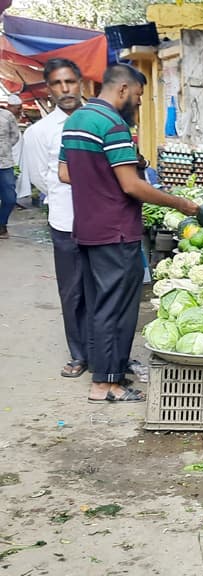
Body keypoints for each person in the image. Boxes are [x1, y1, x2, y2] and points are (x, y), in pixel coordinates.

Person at [58, 64, 198, 403]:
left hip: (88, 227)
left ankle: (107, 368)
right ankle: (106, 385)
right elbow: (131, 185)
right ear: (122, 90)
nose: (136, 104)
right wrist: (180, 203)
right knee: (116, 308)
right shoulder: (113, 125)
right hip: (116, 231)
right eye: (136, 97)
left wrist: (102, 179)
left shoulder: (75, 120)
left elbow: (65, 173)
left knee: (97, 304)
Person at [22, 58, 91, 378]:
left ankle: (106, 353)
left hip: (103, 218)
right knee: (73, 290)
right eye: (57, 84)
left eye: (70, 82)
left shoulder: (98, 119)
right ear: (49, 89)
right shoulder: (40, 132)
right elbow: (39, 177)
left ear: (81, 83)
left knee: (104, 289)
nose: (65, 89)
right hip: (66, 222)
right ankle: (78, 354)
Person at [0, 94, 22, 239]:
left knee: (10, 198)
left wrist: (5, 148)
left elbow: (15, 136)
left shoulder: (7, 116)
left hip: (5, 164)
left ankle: (2, 224)